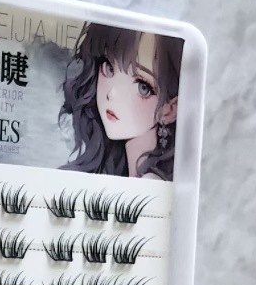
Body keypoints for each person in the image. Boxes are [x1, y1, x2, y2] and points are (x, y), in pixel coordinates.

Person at [60, 23, 183, 180]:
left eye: (142, 87)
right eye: (109, 68)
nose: (112, 93)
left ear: (170, 110)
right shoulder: (122, 170)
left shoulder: (149, 181)